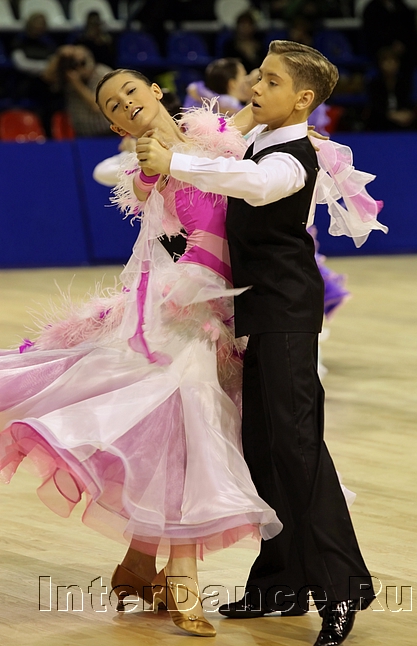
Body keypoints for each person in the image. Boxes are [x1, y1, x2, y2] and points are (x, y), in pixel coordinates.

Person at [0, 69, 283, 637]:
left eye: (131, 91)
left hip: (223, 308)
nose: (126, 104)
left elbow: (245, 124)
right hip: (176, 308)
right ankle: (183, 581)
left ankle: (137, 565)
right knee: (191, 424)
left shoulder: (210, 136)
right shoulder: (148, 162)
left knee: (176, 431)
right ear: (113, 125)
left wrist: (295, 129)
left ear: (155, 91)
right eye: (113, 105)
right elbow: (157, 186)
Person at [141, 40, 385, 646]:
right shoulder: (260, 139)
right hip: (258, 312)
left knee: (297, 449)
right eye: (258, 75)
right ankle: (281, 584)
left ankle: (340, 589)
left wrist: (175, 162)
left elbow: (249, 182)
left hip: (285, 314)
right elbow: (228, 150)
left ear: (303, 99)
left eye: (271, 81)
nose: (256, 86)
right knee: (265, 449)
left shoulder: (293, 159)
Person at [42, 44, 112, 137]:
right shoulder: (69, 75)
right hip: (80, 133)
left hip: (105, 134)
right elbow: (47, 77)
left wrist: (77, 83)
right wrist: (59, 56)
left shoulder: (102, 74)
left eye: (82, 63)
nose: (79, 68)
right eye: (75, 63)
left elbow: (96, 107)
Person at [183, 57, 253, 114]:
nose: (247, 79)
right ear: (233, 83)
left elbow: (193, 88)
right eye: (244, 75)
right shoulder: (236, 109)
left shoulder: (196, 90)